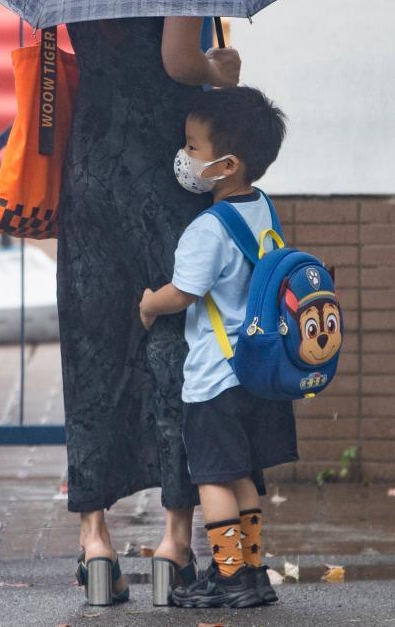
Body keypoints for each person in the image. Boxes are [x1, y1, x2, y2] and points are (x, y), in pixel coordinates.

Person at [56, 16, 241, 605]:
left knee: (92, 342)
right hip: (164, 164)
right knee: (174, 339)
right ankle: (173, 545)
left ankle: (95, 543)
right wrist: (220, 69)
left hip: (88, 161)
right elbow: (177, 59)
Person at [139, 86, 299, 608]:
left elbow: (183, 291)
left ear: (226, 165)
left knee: (211, 476)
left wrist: (148, 304)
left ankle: (227, 577)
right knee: (243, 474)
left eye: (192, 147)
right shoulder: (262, 209)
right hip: (256, 372)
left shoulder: (208, 228)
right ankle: (252, 572)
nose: (183, 158)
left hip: (214, 376)